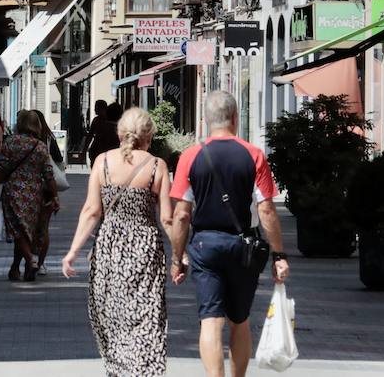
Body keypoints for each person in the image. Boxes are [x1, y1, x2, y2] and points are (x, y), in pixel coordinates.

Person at [167, 91, 289, 377]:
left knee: (210, 320)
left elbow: (182, 214)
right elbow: (267, 210)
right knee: (240, 319)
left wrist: (177, 256)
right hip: (242, 247)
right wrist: (279, 254)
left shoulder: (190, 156)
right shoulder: (253, 154)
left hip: (204, 246)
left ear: (206, 120)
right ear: (235, 118)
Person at [62, 107, 172, 377]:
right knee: (146, 316)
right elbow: (168, 219)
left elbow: (91, 211)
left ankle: (119, 369)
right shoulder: (157, 166)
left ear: (120, 133)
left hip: (110, 250)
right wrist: (181, 254)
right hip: (145, 251)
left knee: (110, 315)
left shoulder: (103, 162)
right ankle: (142, 370)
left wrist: (73, 251)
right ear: (149, 136)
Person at [0, 110, 58, 282]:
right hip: (34, 194)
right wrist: (54, 196)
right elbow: (49, 175)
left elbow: (0, 170)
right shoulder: (40, 146)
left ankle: (30, 261)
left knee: (18, 231)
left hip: (13, 193)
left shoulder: (11, 142)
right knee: (27, 231)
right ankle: (16, 267)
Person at [31, 109, 63, 271]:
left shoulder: (23, 140)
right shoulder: (49, 138)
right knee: (43, 227)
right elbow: (59, 159)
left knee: (27, 227)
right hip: (47, 188)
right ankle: (41, 263)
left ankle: (29, 259)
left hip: (27, 189)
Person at [84, 99, 113, 167]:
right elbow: (90, 136)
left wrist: (84, 150)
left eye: (96, 108)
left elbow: (90, 136)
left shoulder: (98, 121)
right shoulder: (97, 120)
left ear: (102, 109)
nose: (94, 110)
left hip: (100, 150)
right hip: (98, 151)